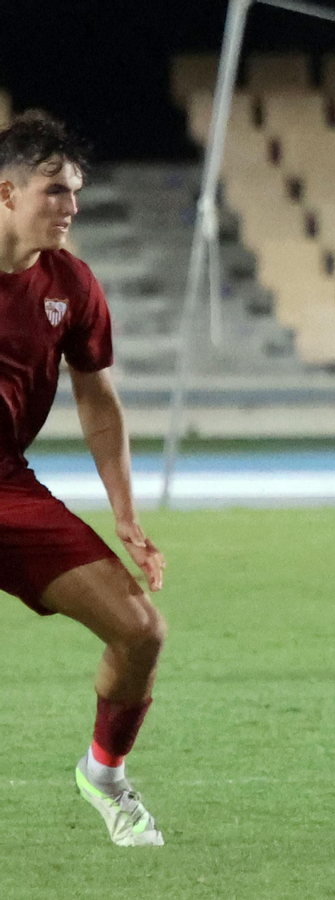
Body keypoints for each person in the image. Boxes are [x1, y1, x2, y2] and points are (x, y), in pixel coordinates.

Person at [0, 112, 168, 847]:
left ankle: (104, 775)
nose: (70, 206)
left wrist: (125, 514)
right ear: (6, 192)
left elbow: (98, 399)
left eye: (75, 192)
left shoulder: (71, 284)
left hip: (8, 489)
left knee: (140, 632)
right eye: (54, 191)